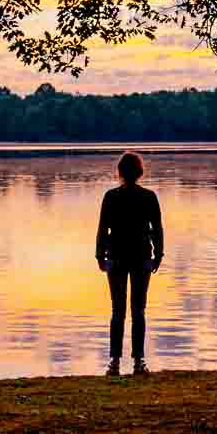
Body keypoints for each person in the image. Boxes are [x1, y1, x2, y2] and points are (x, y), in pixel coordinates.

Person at [95, 151, 163, 376]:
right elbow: (157, 229)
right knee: (138, 310)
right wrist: (159, 255)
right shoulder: (149, 197)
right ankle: (138, 363)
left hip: (115, 257)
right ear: (140, 172)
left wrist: (100, 256)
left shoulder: (111, 196)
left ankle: (114, 363)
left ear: (120, 172)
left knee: (117, 311)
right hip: (142, 257)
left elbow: (103, 229)